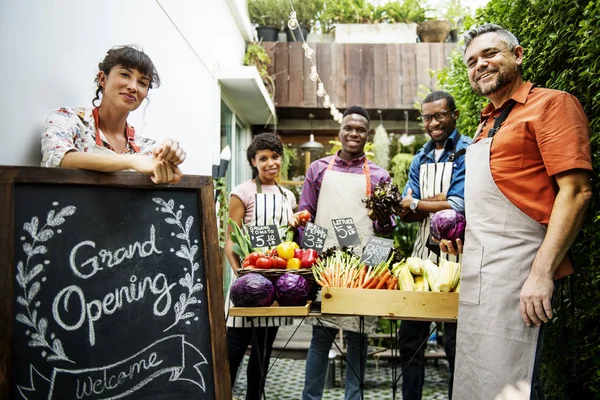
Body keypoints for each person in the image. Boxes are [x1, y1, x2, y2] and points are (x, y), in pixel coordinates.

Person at [442, 24, 592, 399]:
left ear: (518, 55)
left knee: (515, 385)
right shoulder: (483, 124)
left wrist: (541, 274)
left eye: (490, 54)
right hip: (479, 277)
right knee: (480, 382)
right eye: (472, 61)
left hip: (521, 275)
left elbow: (576, 192)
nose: (481, 65)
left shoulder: (552, 104)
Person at [298, 105, 394, 400]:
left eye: (361, 130)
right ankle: (310, 398)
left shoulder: (380, 175)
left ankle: (355, 397)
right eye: (349, 128)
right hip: (327, 263)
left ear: (367, 135)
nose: (354, 133)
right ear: (340, 132)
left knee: (359, 337)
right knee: (320, 337)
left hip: (365, 262)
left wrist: (383, 215)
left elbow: (386, 230)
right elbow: (306, 215)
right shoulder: (318, 169)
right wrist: (311, 260)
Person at [397, 91, 471, 400]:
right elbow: (407, 213)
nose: (434, 123)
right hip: (420, 257)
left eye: (440, 115)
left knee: (456, 343)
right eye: (428, 117)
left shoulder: (468, 151)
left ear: (454, 115)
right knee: (410, 340)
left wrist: (416, 202)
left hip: (457, 257)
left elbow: (458, 204)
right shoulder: (420, 157)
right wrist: (425, 204)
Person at [224, 132, 302, 400]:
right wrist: (242, 280)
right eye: (263, 158)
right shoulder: (242, 192)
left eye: (275, 156)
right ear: (253, 162)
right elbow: (229, 243)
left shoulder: (288, 196)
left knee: (262, 356)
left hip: (273, 291)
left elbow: (288, 243)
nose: (271, 162)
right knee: (232, 354)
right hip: (246, 288)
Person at [41, 45, 185, 183]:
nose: (133, 87)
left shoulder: (145, 149)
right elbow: (60, 159)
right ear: (103, 79)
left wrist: (169, 156)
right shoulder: (68, 119)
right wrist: (131, 161)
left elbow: (165, 171)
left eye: (142, 83)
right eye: (125, 75)